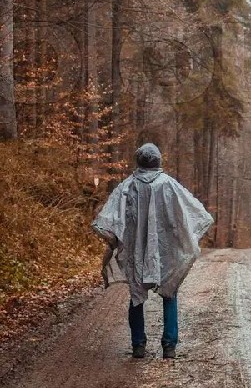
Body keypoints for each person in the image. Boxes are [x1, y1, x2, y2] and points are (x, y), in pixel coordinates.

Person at [92, 143, 214, 359]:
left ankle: (138, 345)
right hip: (165, 252)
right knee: (170, 294)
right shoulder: (169, 185)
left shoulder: (127, 186)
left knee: (136, 296)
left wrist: (117, 241)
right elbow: (196, 214)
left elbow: (106, 221)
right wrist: (183, 238)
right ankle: (169, 347)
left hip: (136, 252)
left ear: (139, 161)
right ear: (158, 161)